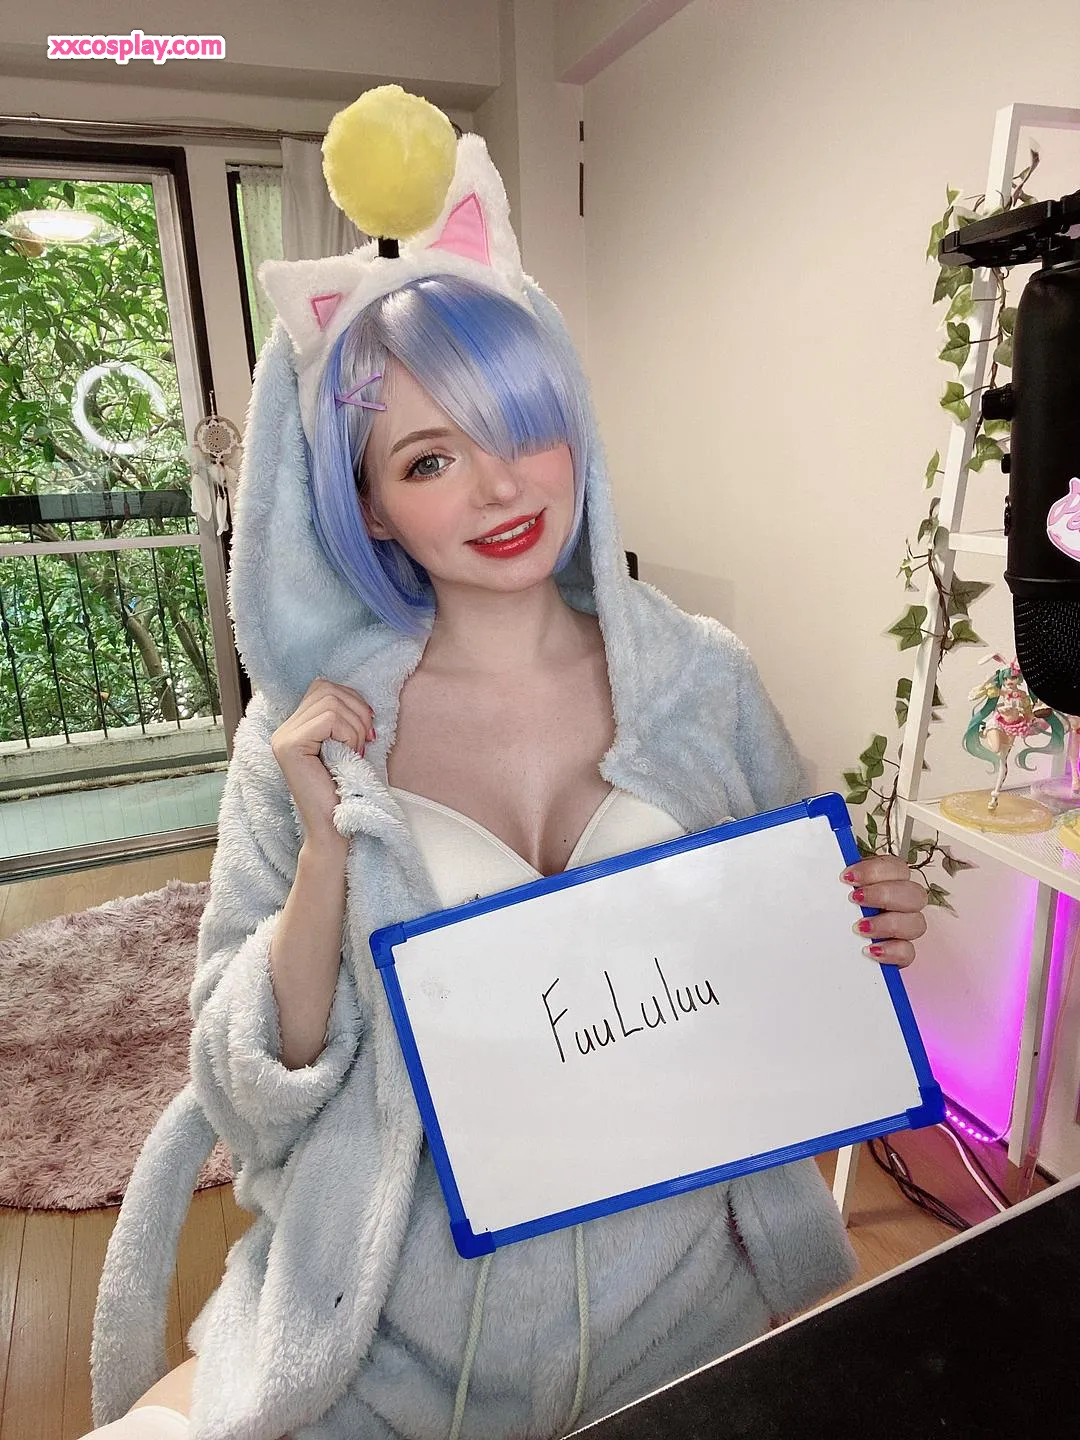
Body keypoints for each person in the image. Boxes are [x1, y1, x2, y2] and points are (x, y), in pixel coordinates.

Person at [86, 89, 928, 1440]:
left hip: (690, 1324)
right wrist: (322, 858)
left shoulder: (701, 679)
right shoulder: (302, 737)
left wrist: (869, 920)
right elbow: (249, 1095)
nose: (502, 488)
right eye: (430, 459)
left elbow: (795, 956)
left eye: (524, 428)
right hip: (388, 1347)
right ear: (367, 505)